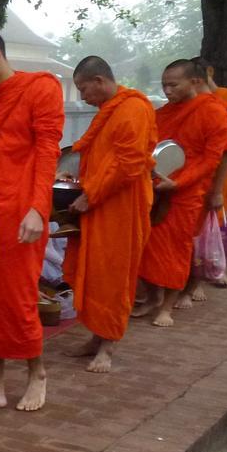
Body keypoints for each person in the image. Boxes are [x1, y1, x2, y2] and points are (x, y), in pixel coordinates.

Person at [0, 30, 65, 413]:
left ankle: (37, 373)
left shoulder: (40, 89)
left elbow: (48, 149)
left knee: (18, 298)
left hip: (22, 212)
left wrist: (38, 208)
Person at [61, 56, 158, 373]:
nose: (82, 96)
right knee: (94, 274)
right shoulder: (109, 110)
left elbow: (129, 164)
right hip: (102, 202)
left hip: (122, 206)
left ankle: (108, 346)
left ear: (100, 81)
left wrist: (92, 195)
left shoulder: (133, 109)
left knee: (114, 275)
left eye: (82, 88)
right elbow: (104, 158)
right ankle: (95, 337)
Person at [132, 60, 227, 327]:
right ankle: (153, 297)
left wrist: (179, 182)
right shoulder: (165, 112)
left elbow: (211, 160)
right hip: (155, 188)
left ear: (195, 82)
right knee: (146, 246)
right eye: (164, 85)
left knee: (176, 249)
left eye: (173, 84)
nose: (167, 90)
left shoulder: (215, 112)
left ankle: (167, 307)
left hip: (187, 193)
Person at [193, 57, 227, 273]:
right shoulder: (189, 104)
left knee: (219, 218)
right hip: (197, 170)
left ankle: (219, 265)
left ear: (209, 72)